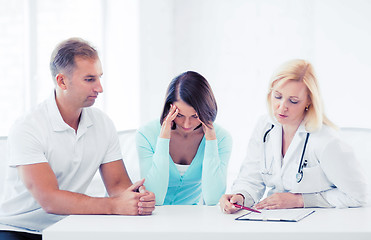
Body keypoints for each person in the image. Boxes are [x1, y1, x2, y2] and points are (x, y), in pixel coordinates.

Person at [0, 38, 155, 240]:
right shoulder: (27, 127)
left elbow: (118, 186)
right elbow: (50, 200)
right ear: (62, 81)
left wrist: (137, 198)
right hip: (18, 229)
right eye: (90, 79)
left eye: (99, 78)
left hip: (69, 226)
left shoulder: (103, 124)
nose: (100, 88)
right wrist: (115, 205)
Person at [220, 59, 368, 213]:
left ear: (309, 101)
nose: (282, 107)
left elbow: (361, 195)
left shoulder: (326, 141)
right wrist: (240, 196)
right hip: (275, 221)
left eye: (293, 101)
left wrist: (301, 200)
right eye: (277, 96)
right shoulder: (265, 126)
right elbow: (251, 178)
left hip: (317, 222)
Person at [136, 71, 232, 205]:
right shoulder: (146, 134)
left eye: (195, 116)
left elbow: (213, 199)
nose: (187, 124)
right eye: (179, 115)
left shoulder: (222, 138)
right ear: (169, 109)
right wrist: (163, 138)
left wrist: (210, 140)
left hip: (191, 219)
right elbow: (155, 197)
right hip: (150, 216)